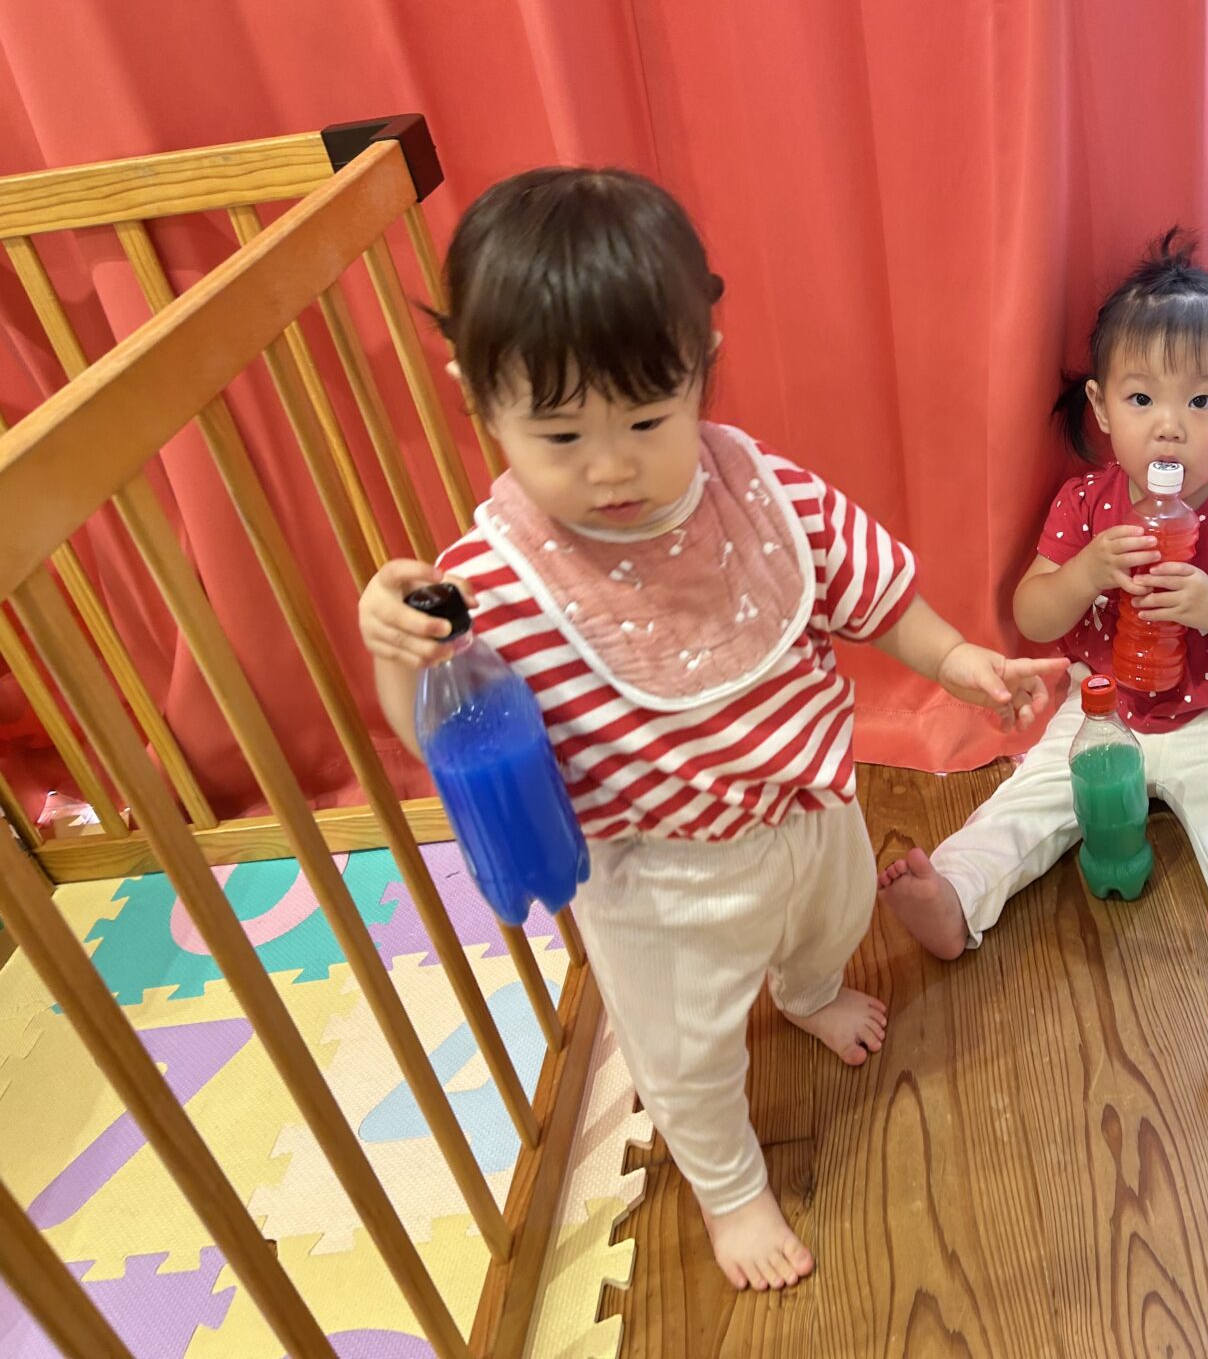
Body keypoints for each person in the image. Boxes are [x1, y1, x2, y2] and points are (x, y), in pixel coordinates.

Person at [357, 168, 1062, 1292]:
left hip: (812, 807)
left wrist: (959, 663)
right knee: (686, 1054)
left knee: (831, 924)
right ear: (478, 400)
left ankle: (810, 993)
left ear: (703, 369)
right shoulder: (491, 579)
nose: (611, 467)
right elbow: (438, 732)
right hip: (660, 875)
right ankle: (730, 1188)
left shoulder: (758, 489)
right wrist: (400, 653)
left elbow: (870, 590)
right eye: (560, 434)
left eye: (647, 420)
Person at [879, 230, 1208, 1031]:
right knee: (1029, 798)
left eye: (1200, 402)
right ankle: (955, 894)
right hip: (1108, 709)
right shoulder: (1086, 505)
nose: (1169, 428)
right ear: (1100, 408)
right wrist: (1085, 571)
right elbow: (1033, 613)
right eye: (1142, 400)